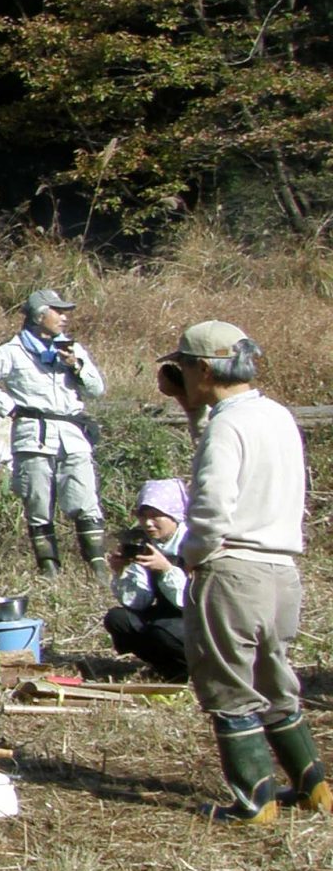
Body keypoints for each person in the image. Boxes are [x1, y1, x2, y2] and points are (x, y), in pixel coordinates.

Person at [158, 322, 323, 823]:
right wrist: (192, 410)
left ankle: (255, 804)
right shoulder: (276, 416)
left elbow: (210, 506)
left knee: (228, 689)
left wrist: (192, 555)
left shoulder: (227, 426)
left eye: (185, 366)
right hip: (280, 571)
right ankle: (314, 787)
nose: (181, 374)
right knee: (276, 683)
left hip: (233, 569)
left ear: (203, 369)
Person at [0, 289, 107, 571]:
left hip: (73, 435)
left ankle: (98, 567)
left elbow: (97, 389)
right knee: (38, 504)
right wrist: (9, 406)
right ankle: (49, 568)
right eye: (58, 311)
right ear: (39, 315)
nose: (64, 318)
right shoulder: (12, 351)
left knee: (85, 499)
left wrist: (75, 366)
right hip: (34, 436)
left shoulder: (71, 349)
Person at [102, 478, 190, 682]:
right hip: (165, 618)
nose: (148, 524)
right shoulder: (147, 545)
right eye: (143, 517)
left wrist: (167, 569)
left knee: (163, 630)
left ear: (174, 515)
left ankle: (186, 669)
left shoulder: (195, 544)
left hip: (197, 621)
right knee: (119, 618)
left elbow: (190, 601)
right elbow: (140, 602)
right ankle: (163, 666)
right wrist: (121, 572)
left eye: (155, 516)